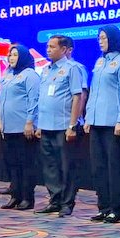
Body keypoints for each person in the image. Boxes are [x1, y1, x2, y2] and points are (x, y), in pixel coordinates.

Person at [84, 25, 120, 224]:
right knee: (99, 168)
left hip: (113, 124)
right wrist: (88, 118)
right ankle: (104, 208)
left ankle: (118, 209)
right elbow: (94, 92)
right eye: (99, 38)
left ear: (113, 38)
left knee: (116, 168)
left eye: (104, 38)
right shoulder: (99, 61)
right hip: (96, 122)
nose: (100, 41)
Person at [35, 35, 82, 217]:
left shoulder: (72, 68)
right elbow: (42, 98)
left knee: (66, 166)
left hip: (63, 125)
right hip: (46, 125)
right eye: (47, 46)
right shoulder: (45, 70)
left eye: (52, 47)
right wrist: (39, 124)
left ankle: (67, 203)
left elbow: (77, 97)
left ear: (63, 50)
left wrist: (72, 125)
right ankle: (54, 200)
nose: (48, 50)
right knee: (50, 166)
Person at [0, 45, 40, 211]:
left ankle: (27, 198)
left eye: (15, 55)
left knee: (25, 164)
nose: (11, 58)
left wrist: (30, 122)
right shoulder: (8, 74)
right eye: (10, 55)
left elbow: (34, 100)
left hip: (23, 128)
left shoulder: (30, 75)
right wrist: (0, 119)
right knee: (12, 164)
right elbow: (3, 99)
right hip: (8, 127)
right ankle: (15, 196)